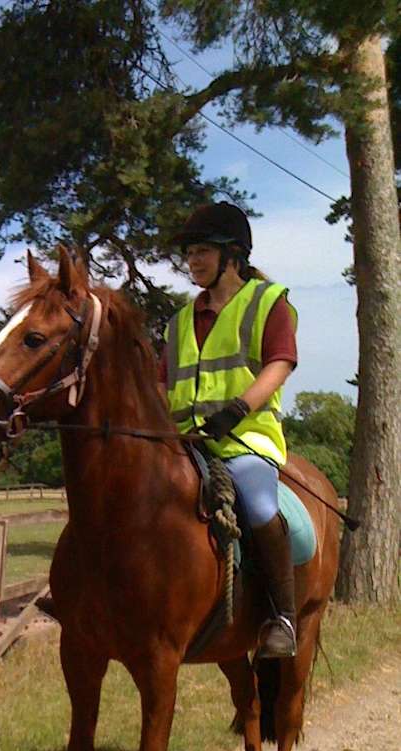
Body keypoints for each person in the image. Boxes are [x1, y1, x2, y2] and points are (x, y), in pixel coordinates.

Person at [160, 201, 299, 658]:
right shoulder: (179, 321)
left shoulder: (268, 302)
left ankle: (283, 618)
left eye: (203, 250)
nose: (193, 261)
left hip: (245, 439)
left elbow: (280, 363)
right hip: (183, 442)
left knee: (259, 507)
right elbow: (162, 386)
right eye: (190, 252)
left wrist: (238, 408)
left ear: (233, 256)